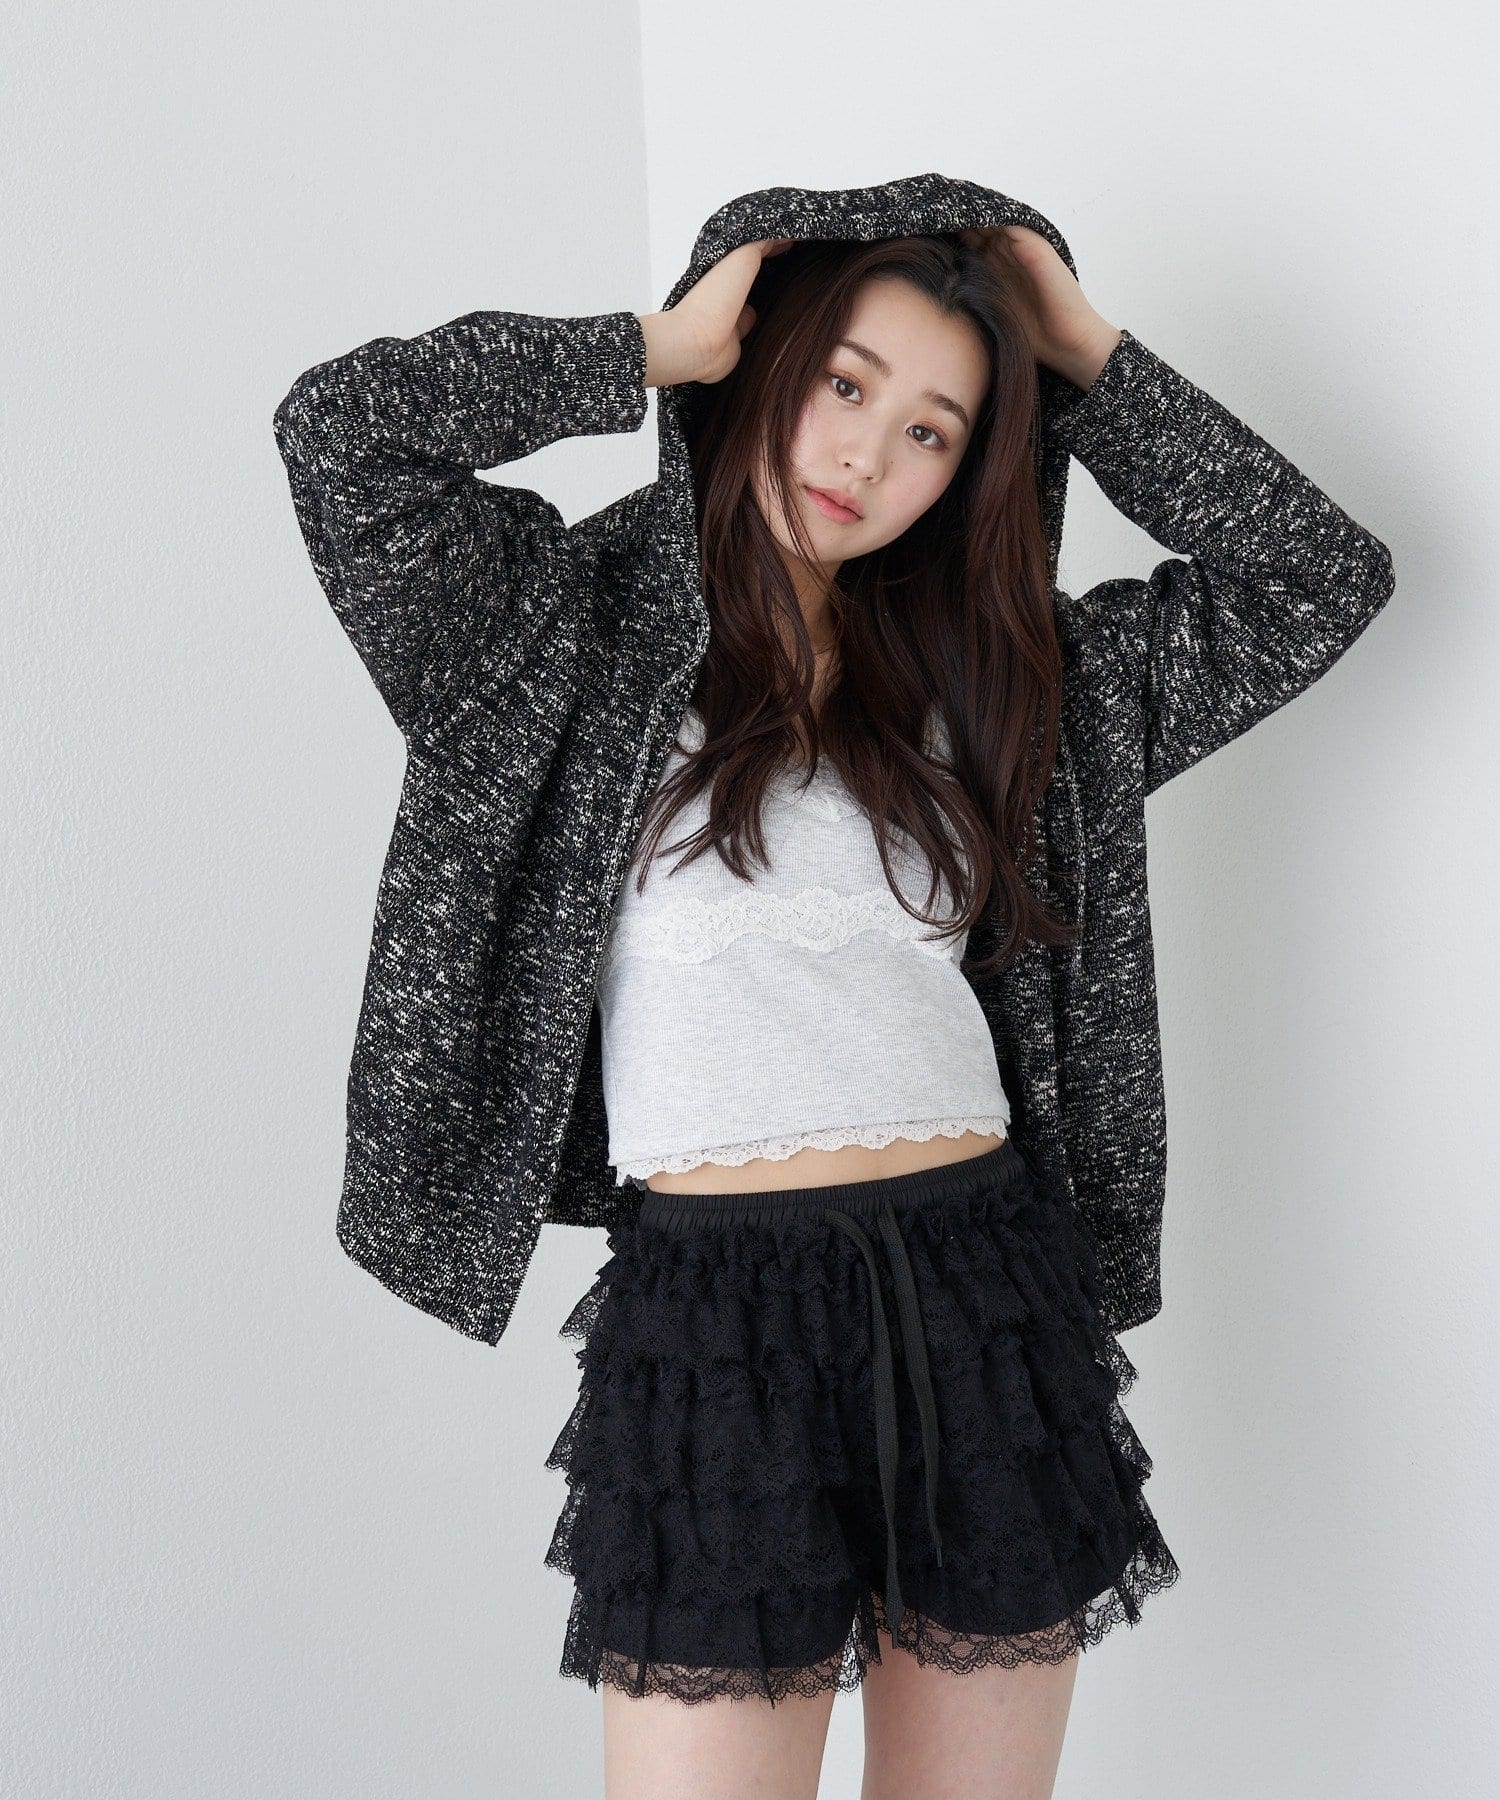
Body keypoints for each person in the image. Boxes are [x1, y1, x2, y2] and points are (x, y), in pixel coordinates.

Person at [272, 174, 1395, 1800]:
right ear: (761, 355)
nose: (868, 457)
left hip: (985, 1287)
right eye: (845, 384)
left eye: (934, 429)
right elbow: (340, 433)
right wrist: (649, 346)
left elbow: (1317, 578)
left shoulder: (1008, 679)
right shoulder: (543, 630)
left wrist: (1084, 351)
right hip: (716, 1315)